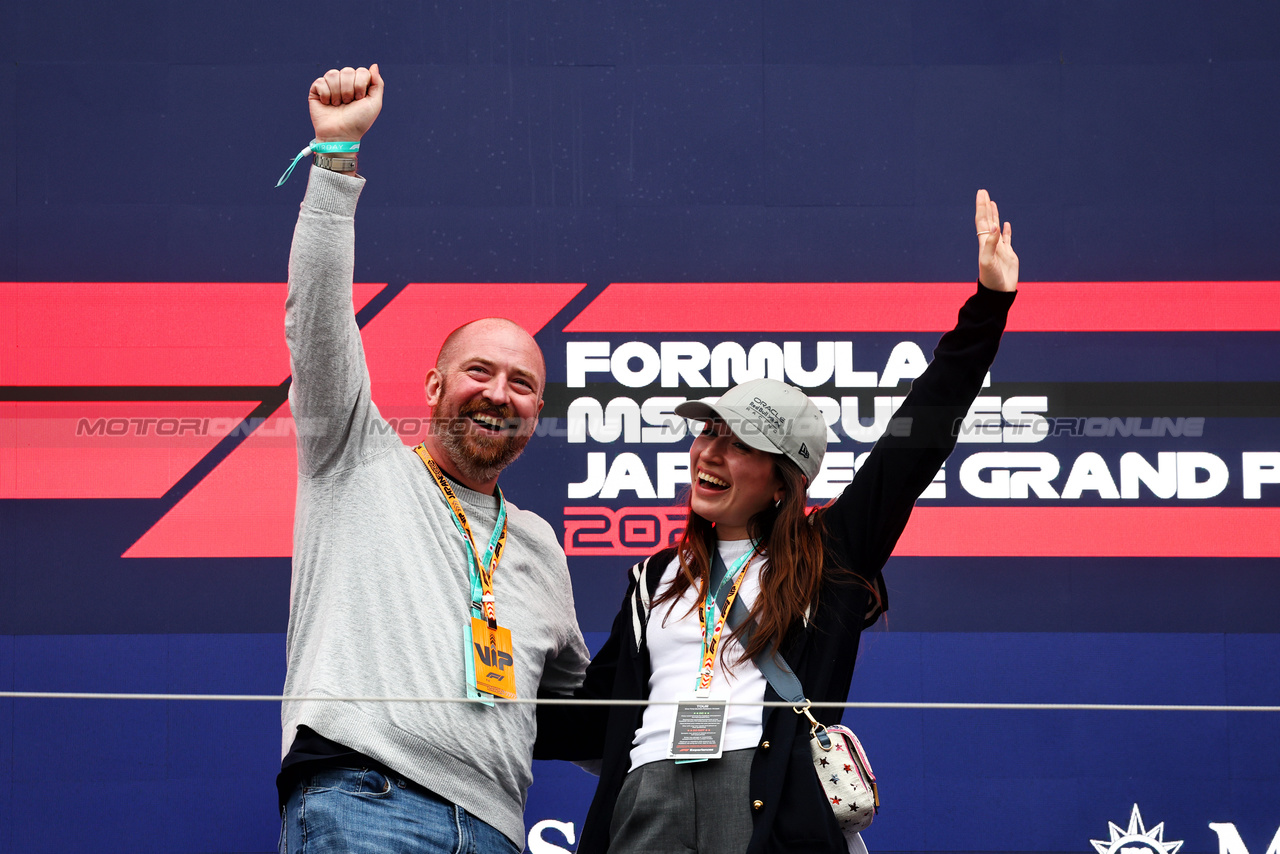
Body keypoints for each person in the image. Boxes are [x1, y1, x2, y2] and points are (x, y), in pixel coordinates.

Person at [536, 191, 1019, 853]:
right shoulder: (654, 577)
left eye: (737, 443)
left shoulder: (834, 554)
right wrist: (464, 698)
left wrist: (988, 304)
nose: (708, 451)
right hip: (648, 801)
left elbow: (920, 440)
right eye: (707, 432)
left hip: (770, 802)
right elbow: (590, 723)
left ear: (782, 480)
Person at [278, 64, 590, 854]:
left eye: (523, 383)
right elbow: (318, 320)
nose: (500, 393)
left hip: (497, 830)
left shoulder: (539, 546)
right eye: (479, 372)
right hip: (364, 802)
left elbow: (591, 720)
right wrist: (335, 159)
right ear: (433, 385)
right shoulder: (353, 456)